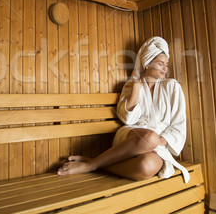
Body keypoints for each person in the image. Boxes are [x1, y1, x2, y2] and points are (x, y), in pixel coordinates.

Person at [57, 36, 189, 183]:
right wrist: (135, 90)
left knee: (146, 167)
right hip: (131, 139)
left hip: (159, 144)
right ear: (146, 64)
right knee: (149, 137)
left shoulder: (172, 86)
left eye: (166, 64)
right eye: (160, 63)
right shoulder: (131, 86)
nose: (165, 68)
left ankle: (95, 163)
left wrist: (160, 142)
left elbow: (178, 125)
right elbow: (127, 119)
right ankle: (91, 165)